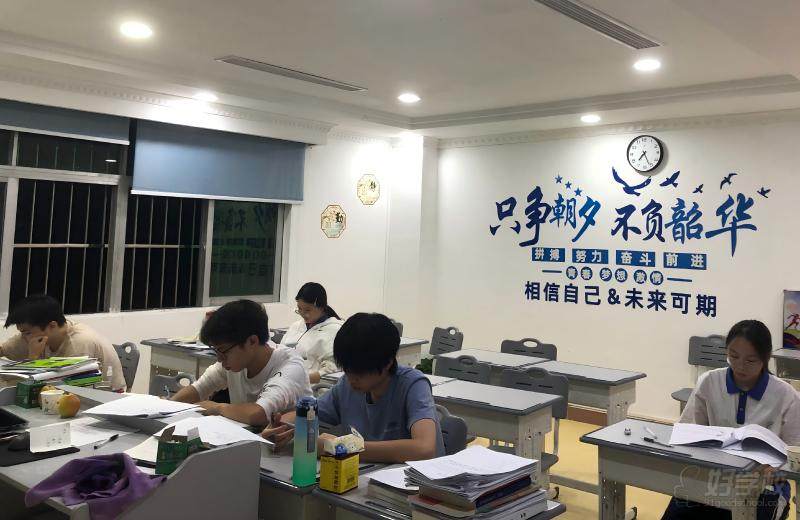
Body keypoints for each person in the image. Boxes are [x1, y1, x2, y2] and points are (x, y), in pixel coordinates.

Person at [661, 320, 800, 520]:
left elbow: (795, 452)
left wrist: (777, 469)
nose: (740, 366)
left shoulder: (786, 395)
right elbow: (688, 431)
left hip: (765, 487)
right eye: (733, 356)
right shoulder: (709, 382)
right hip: (711, 478)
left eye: (750, 360)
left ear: (765, 358)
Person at [262, 312, 444, 463]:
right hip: (364, 481)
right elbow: (307, 414)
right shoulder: (347, 386)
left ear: (387, 363)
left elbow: (424, 449)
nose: (351, 380)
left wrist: (342, 447)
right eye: (347, 371)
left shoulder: (413, 385)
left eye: (359, 373)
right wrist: (279, 427)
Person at [171, 299, 312, 427]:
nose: (219, 359)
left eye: (223, 351)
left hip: (294, 446)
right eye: (216, 351)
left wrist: (218, 408)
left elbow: (259, 414)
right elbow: (199, 388)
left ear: (252, 341)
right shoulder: (236, 362)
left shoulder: (290, 366)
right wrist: (167, 406)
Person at [0, 295, 125, 391]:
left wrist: (32, 359)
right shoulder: (35, 335)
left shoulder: (80, 343)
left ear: (52, 326)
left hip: (105, 398)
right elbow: (3, 350)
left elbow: (53, 391)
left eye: (27, 333)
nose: (23, 337)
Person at [280, 282, 343, 384]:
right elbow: (281, 352)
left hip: (313, 387)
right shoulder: (297, 326)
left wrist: (301, 381)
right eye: (299, 309)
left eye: (308, 310)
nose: (303, 314)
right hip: (287, 381)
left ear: (321, 307)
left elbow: (333, 368)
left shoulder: (335, 330)